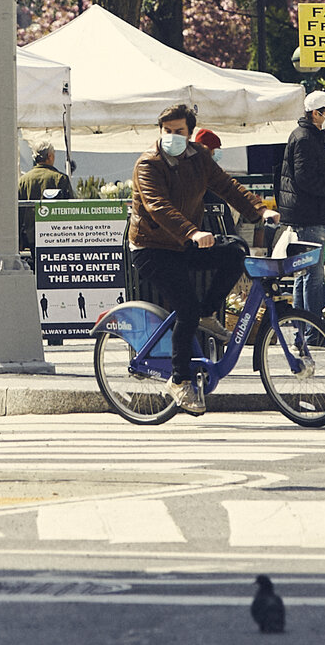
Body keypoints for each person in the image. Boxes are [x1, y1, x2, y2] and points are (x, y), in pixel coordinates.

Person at [129, 102, 277, 415]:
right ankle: (180, 380)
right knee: (185, 307)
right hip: (152, 247)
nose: (171, 136)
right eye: (166, 131)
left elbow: (228, 187)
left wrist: (261, 209)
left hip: (182, 243)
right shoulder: (148, 164)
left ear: (190, 132)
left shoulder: (199, 158)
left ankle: (208, 313)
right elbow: (158, 207)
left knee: (235, 252)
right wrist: (193, 233)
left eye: (178, 131)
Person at [276, 89, 325, 314]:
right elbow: (305, 179)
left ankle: (302, 328)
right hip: (308, 211)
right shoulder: (305, 137)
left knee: (305, 273)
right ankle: (312, 329)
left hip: (305, 211)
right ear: (315, 113)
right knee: (313, 273)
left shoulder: (307, 135)